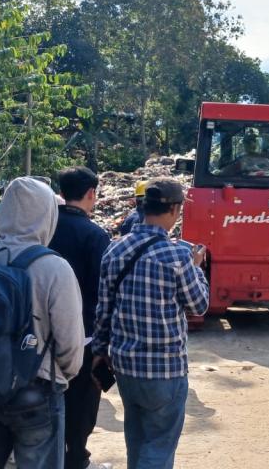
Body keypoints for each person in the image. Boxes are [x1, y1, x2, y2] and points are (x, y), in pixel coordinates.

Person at [0, 176, 85, 468]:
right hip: (37, 392)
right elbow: (70, 343)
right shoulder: (54, 267)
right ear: (47, 215)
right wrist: (62, 374)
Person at [93, 178, 209, 469]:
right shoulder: (178, 255)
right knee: (158, 448)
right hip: (165, 370)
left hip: (125, 366)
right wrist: (197, 268)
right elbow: (198, 305)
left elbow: (103, 310)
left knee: (137, 440)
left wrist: (99, 351)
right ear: (174, 209)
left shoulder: (115, 250)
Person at [49, 166, 112, 469]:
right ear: (90, 193)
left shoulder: (44, 228)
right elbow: (103, 292)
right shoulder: (95, 235)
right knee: (82, 400)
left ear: (61, 193)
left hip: (40, 332)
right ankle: (75, 455)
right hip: (82, 335)